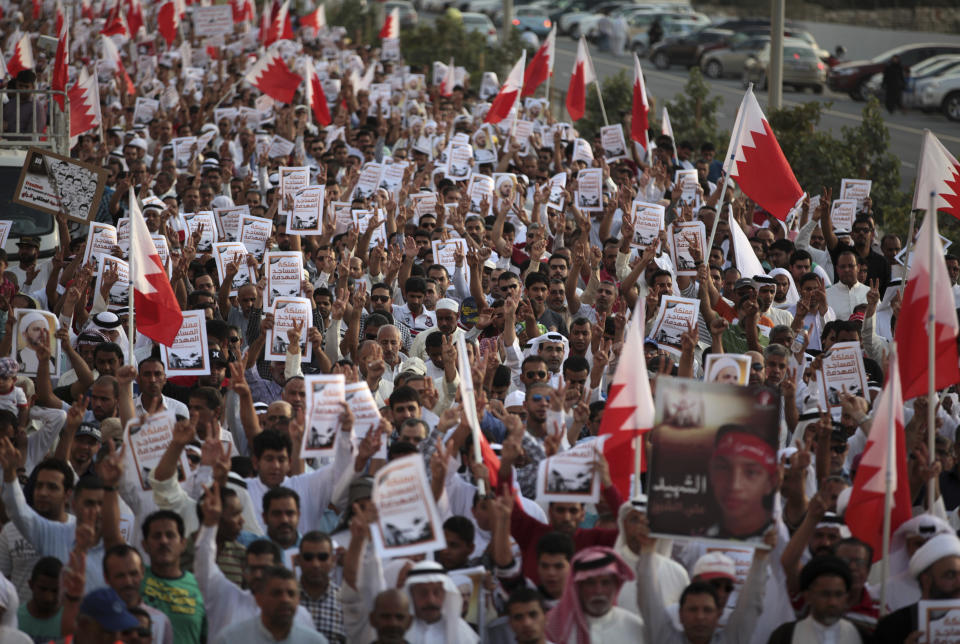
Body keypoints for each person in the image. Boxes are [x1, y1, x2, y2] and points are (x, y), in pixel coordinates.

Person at [544, 546, 645, 643]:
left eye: (605, 583)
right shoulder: (556, 627)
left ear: (615, 585)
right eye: (590, 583)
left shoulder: (635, 626)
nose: (598, 591)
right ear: (579, 587)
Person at [213, 567, 328, 644]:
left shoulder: (315, 641)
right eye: (276, 593)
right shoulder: (230, 639)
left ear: (298, 600)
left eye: (291, 594)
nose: (285, 600)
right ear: (259, 599)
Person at [767, 556, 863, 643]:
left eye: (838, 594)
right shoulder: (785, 636)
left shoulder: (861, 635)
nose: (832, 602)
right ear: (808, 596)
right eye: (825, 594)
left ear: (846, 597)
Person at [402, 560, 479, 643]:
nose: (431, 600)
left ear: (446, 594)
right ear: (411, 595)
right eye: (423, 593)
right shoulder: (399, 632)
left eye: (436, 592)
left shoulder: (464, 635)